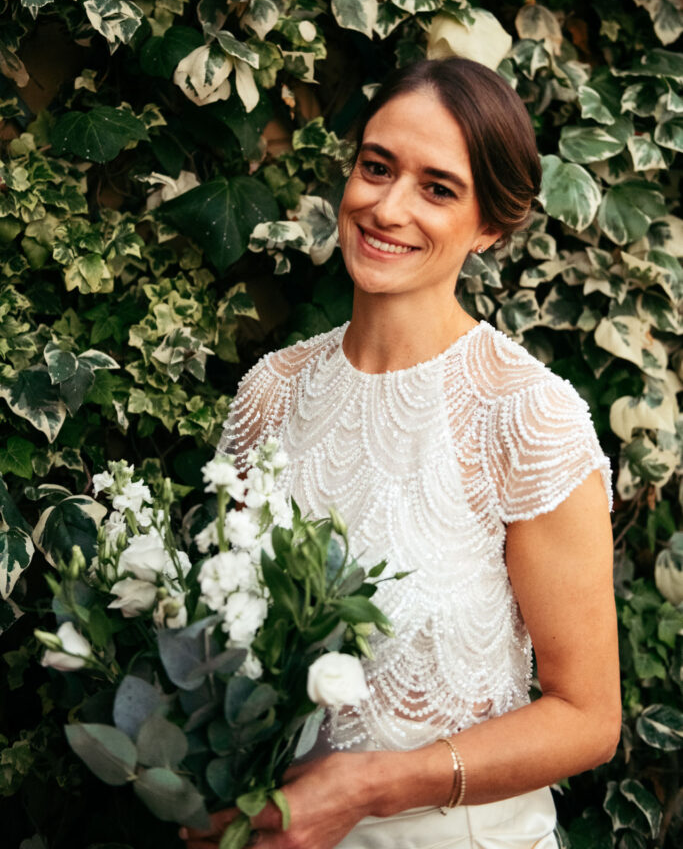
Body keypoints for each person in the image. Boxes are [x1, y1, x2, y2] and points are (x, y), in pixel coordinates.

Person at [183, 56, 621, 849]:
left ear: (490, 223)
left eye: (438, 188)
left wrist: (372, 788)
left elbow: (586, 719)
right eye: (375, 167)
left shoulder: (527, 419)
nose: (386, 209)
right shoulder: (269, 396)